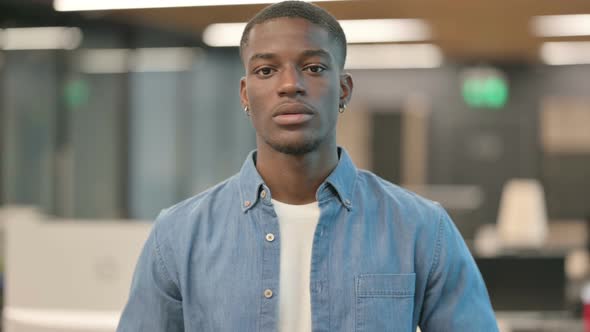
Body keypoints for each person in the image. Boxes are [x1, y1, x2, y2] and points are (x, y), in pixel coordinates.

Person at [117, 1, 498, 331]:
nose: (290, 85)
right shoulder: (179, 234)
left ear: (344, 89)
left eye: (313, 68)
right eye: (266, 70)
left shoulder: (421, 229)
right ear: (245, 93)